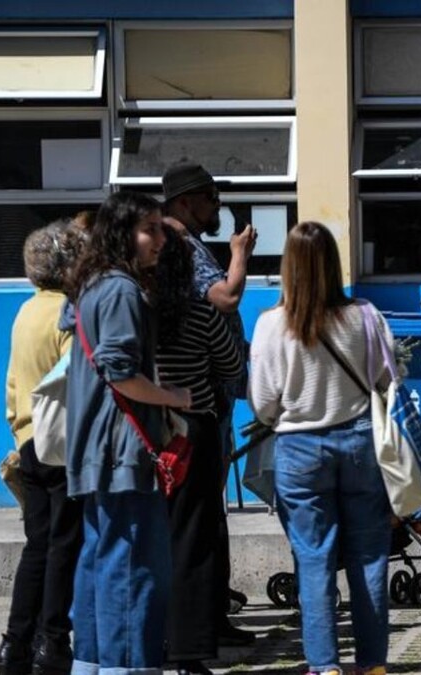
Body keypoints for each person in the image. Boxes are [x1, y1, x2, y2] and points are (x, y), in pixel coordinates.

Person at [249, 221, 395, 675]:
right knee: (369, 558)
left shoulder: (272, 325)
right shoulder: (366, 316)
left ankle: (325, 666)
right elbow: (387, 381)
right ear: (333, 264)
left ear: (288, 267)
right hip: (359, 443)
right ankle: (372, 665)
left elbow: (263, 404)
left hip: (297, 448)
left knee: (313, 561)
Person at [64, 191, 192, 674]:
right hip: (123, 449)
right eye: (151, 229)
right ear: (123, 234)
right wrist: (175, 399)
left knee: (99, 565)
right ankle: (128, 666)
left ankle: (94, 664)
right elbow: (120, 372)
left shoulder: (91, 286)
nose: (161, 239)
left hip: (100, 449)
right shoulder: (119, 290)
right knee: (135, 571)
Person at [162, 162, 256, 645]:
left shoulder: (183, 244)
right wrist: (240, 254)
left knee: (203, 514)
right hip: (200, 402)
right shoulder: (181, 245)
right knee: (199, 516)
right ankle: (202, 621)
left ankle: (209, 613)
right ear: (185, 201)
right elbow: (225, 298)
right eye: (210, 199)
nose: (217, 207)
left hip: (207, 398)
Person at [153, 224, 245, 675]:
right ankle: (188, 651)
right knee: (194, 540)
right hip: (195, 432)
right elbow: (230, 364)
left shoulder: (139, 312)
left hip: (149, 433)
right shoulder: (199, 312)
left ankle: (149, 638)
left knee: (153, 540)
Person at [0, 220, 86, 675]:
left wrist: (19, 430)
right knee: (64, 545)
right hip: (63, 443)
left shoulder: (26, 312)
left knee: (37, 545)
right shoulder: (68, 314)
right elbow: (75, 379)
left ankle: (14, 643)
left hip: (30, 441)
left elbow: (14, 384)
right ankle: (53, 644)